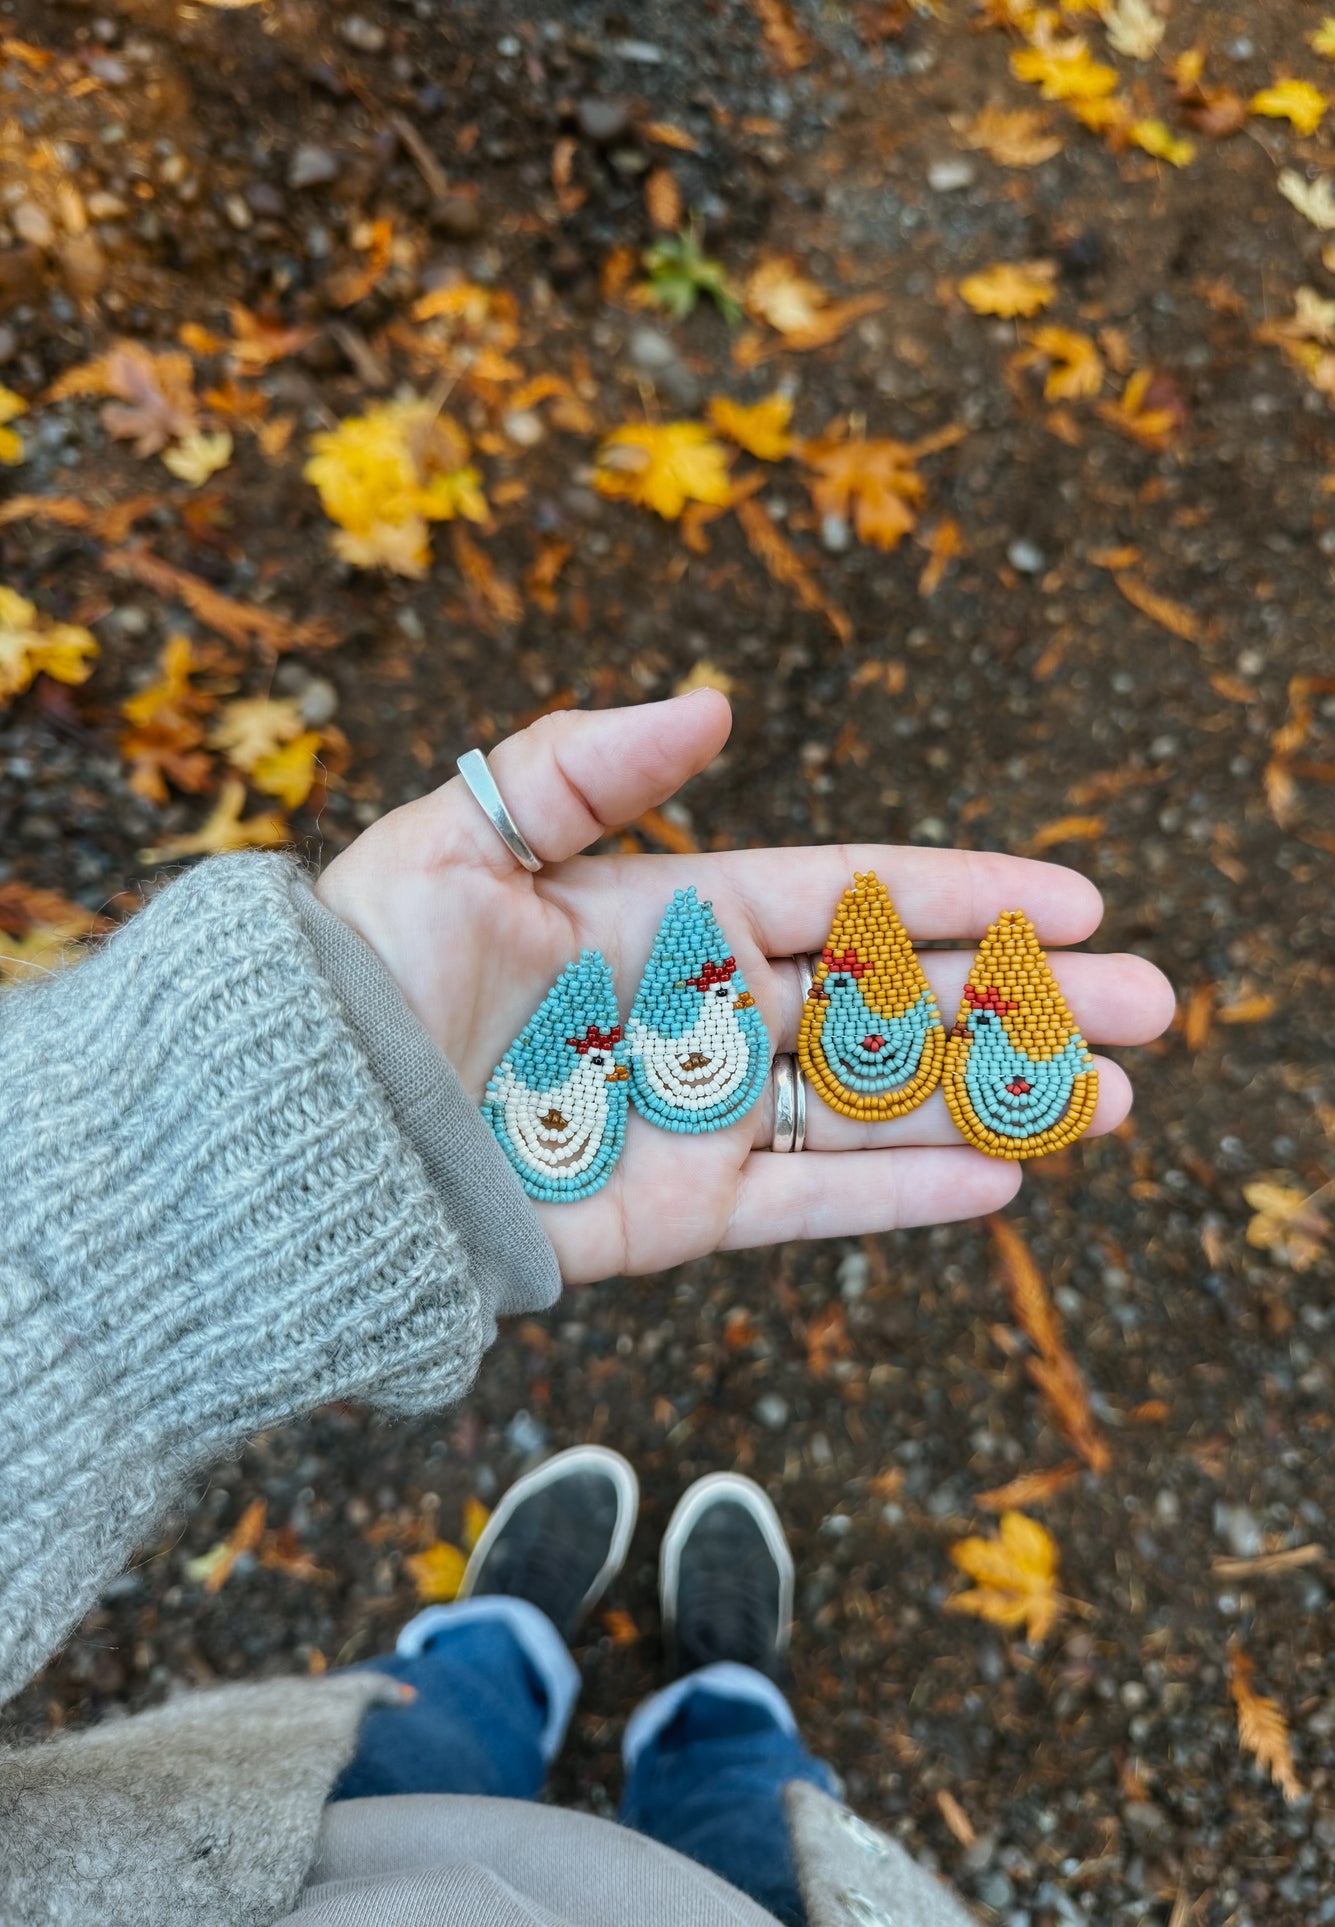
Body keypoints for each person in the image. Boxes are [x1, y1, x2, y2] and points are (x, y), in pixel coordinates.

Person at [0, 692, 1174, 1925]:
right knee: (750, 1822)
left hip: (293, 1848)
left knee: (412, 1739)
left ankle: (493, 1648)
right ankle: (724, 1712)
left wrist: (235, 1111)